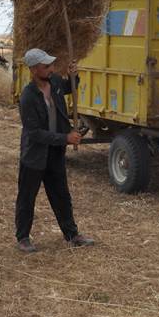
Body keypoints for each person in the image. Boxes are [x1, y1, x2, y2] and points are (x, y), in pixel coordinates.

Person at [15, 48, 95, 253]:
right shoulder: (27, 97)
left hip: (55, 154)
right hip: (34, 155)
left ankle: (72, 234)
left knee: (61, 195)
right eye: (46, 66)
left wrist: (73, 75)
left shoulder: (56, 83)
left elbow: (71, 87)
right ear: (34, 70)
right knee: (27, 197)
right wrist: (65, 138)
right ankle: (23, 238)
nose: (51, 68)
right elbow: (34, 133)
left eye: (51, 65)